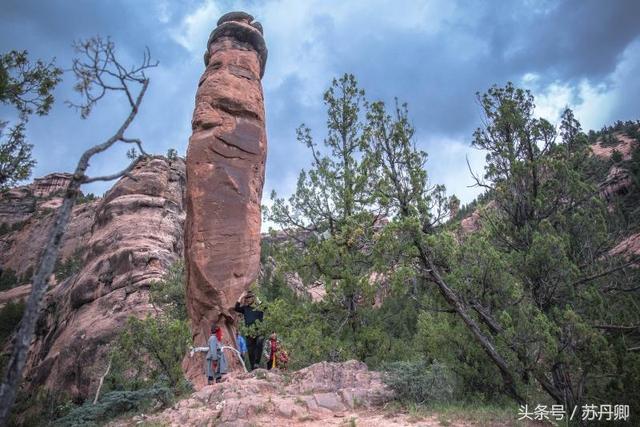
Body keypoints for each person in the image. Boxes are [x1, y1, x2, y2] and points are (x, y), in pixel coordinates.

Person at [234, 290, 264, 370]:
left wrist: (257, 298)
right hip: (249, 332)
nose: (248, 299)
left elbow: (265, 308)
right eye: (247, 298)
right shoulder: (245, 308)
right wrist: (241, 297)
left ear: (253, 298)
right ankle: (253, 368)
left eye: (249, 298)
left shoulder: (259, 308)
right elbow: (236, 308)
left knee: (260, 341)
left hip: (258, 331)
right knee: (250, 352)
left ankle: (257, 363)